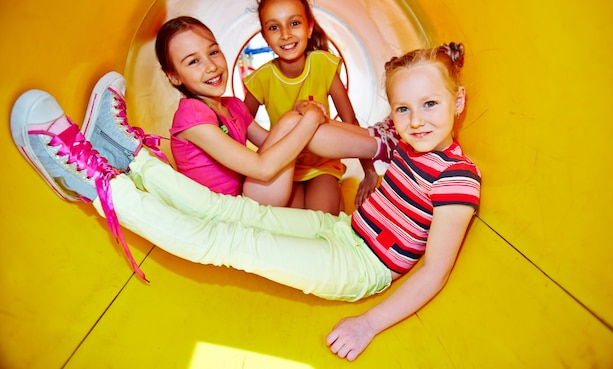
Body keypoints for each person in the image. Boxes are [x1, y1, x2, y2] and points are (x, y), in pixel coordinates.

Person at [11, 42, 480, 361]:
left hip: (361, 268)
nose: (415, 120)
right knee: (237, 213)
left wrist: (370, 324)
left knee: (234, 244)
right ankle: (131, 159)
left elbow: (435, 271)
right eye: (403, 108)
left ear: (457, 101)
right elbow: (341, 139)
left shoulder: (458, 178)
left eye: (430, 105)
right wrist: (371, 144)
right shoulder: (403, 141)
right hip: (343, 229)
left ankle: (95, 185)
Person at [156, 15, 387, 206]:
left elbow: (278, 142)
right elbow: (263, 168)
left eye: (213, 52)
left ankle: (380, 140)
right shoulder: (192, 116)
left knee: (292, 120)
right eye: (193, 62)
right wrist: (312, 117)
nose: (211, 66)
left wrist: (301, 112)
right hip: (231, 209)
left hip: (249, 194)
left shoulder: (233, 106)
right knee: (298, 122)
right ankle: (383, 145)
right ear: (174, 76)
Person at [243, 0, 389, 213]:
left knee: (322, 214)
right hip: (284, 166)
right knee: (295, 221)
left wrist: (369, 172)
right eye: (274, 28)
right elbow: (240, 124)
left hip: (323, 165)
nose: (285, 34)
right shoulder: (261, 79)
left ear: (309, 27)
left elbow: (349, 121)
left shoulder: (322, 65)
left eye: (294, 23)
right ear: (264, 37)